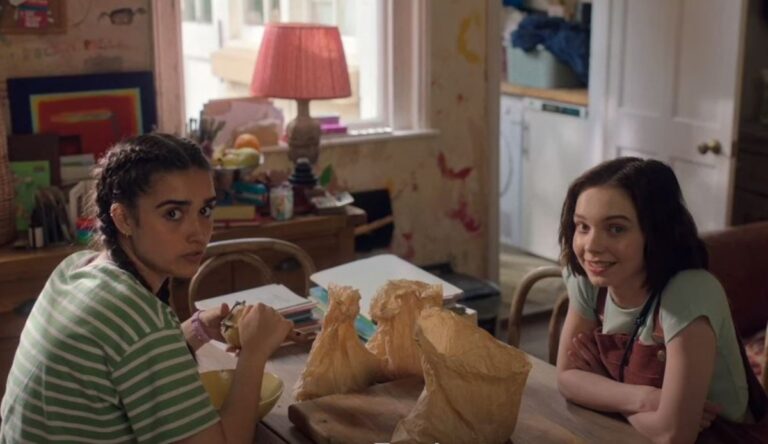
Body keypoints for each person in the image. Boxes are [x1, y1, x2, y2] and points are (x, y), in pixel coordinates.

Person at [0, 134, 293, 443]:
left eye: (205, 211)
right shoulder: (139, 321)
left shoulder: (75, 268)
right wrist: (254, 354)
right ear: (124, 218)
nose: (198, 233)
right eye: (173, 214)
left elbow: (124, 359)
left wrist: (196, 330)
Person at [556, 157, 768, 443]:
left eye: (616, 228)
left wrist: (605, 389)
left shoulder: (689, 292)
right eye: (582, 226)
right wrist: (647, 399)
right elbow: (567, 377)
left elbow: (673, 433)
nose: (591, 246)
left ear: (656, 232)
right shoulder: (589, 280)